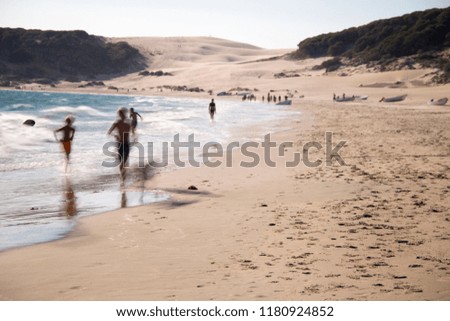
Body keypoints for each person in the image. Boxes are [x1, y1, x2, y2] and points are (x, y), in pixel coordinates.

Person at [108, 107, 131, 180]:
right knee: (122, 163)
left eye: (123, 113)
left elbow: (133, 132)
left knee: (124, 163)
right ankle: (122, 178)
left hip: (127, 144)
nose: (122, 115)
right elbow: (109, 132)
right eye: (120, 114)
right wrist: (115, 135)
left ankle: (123, 177)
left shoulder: (129, 123)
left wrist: (135, 136)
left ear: (125, 113)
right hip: (120, 144)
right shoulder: (116, 123)